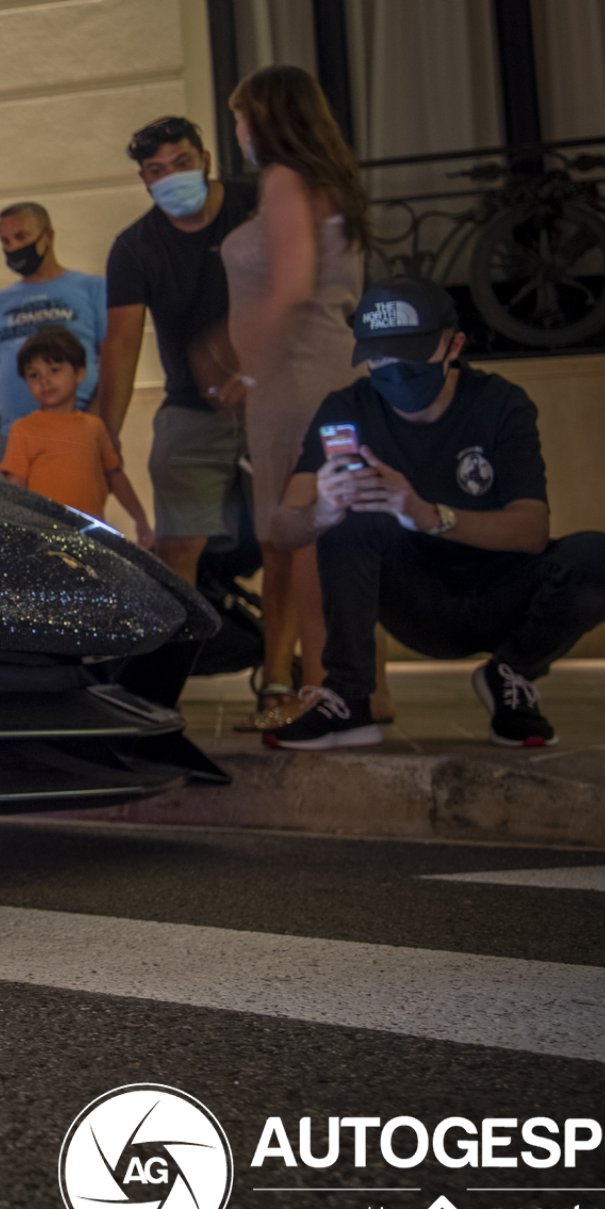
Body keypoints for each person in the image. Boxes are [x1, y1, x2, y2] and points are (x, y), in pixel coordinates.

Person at [261, 277, 605, 751]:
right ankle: (349, 699)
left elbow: (532, 530)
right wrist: (323, 510)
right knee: (350, 512)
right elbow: (283, 527)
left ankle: (511, 674)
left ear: (453, 344)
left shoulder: (500, 403)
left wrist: (426, 513)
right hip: (414, 599)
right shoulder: (348, 407)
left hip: (500, 591)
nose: (395, 371)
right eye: (380, 358)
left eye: (412, 354)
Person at [218, 66, 366, 729]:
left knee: (301, 534)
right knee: (339, 531)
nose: (239, 132)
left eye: (242, 118)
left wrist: (245, 370)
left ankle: (320, 689)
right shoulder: (330, 184)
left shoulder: (284, 180)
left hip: (292, 380)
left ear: (269, 118)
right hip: (330, 370)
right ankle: (364, 685)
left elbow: (291, 288)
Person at [94, 116, 257, 586]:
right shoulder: (134, 247)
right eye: (156, 169)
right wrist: (108, 434)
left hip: (274, 396)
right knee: (177, 544)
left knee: (288, 540)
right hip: (190, 405)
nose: (170, 177)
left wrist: (254, 371)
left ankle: (282, 658)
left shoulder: (255, 205)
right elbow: (121, 344)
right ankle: (186, 659)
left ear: (205, 160)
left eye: (181, 163)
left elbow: (294, 294)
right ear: (144, 179)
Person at [0, 202, 109, 468]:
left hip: (77, 440)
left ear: (48, 236)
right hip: (14, 447)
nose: (13, 248)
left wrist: (93, 428)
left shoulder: (93, 290)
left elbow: (113, 366)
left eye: (21, 237)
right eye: (5, 241)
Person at [0, 328, 153, 544]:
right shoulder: (23, 429)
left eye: (54, 370)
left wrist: (141, 519)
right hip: (45, 539)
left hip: (92, 536)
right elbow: (16, 488)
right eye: (34, 375)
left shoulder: (94, 427)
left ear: (80, 373)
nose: (45, 380)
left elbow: (115, 476)